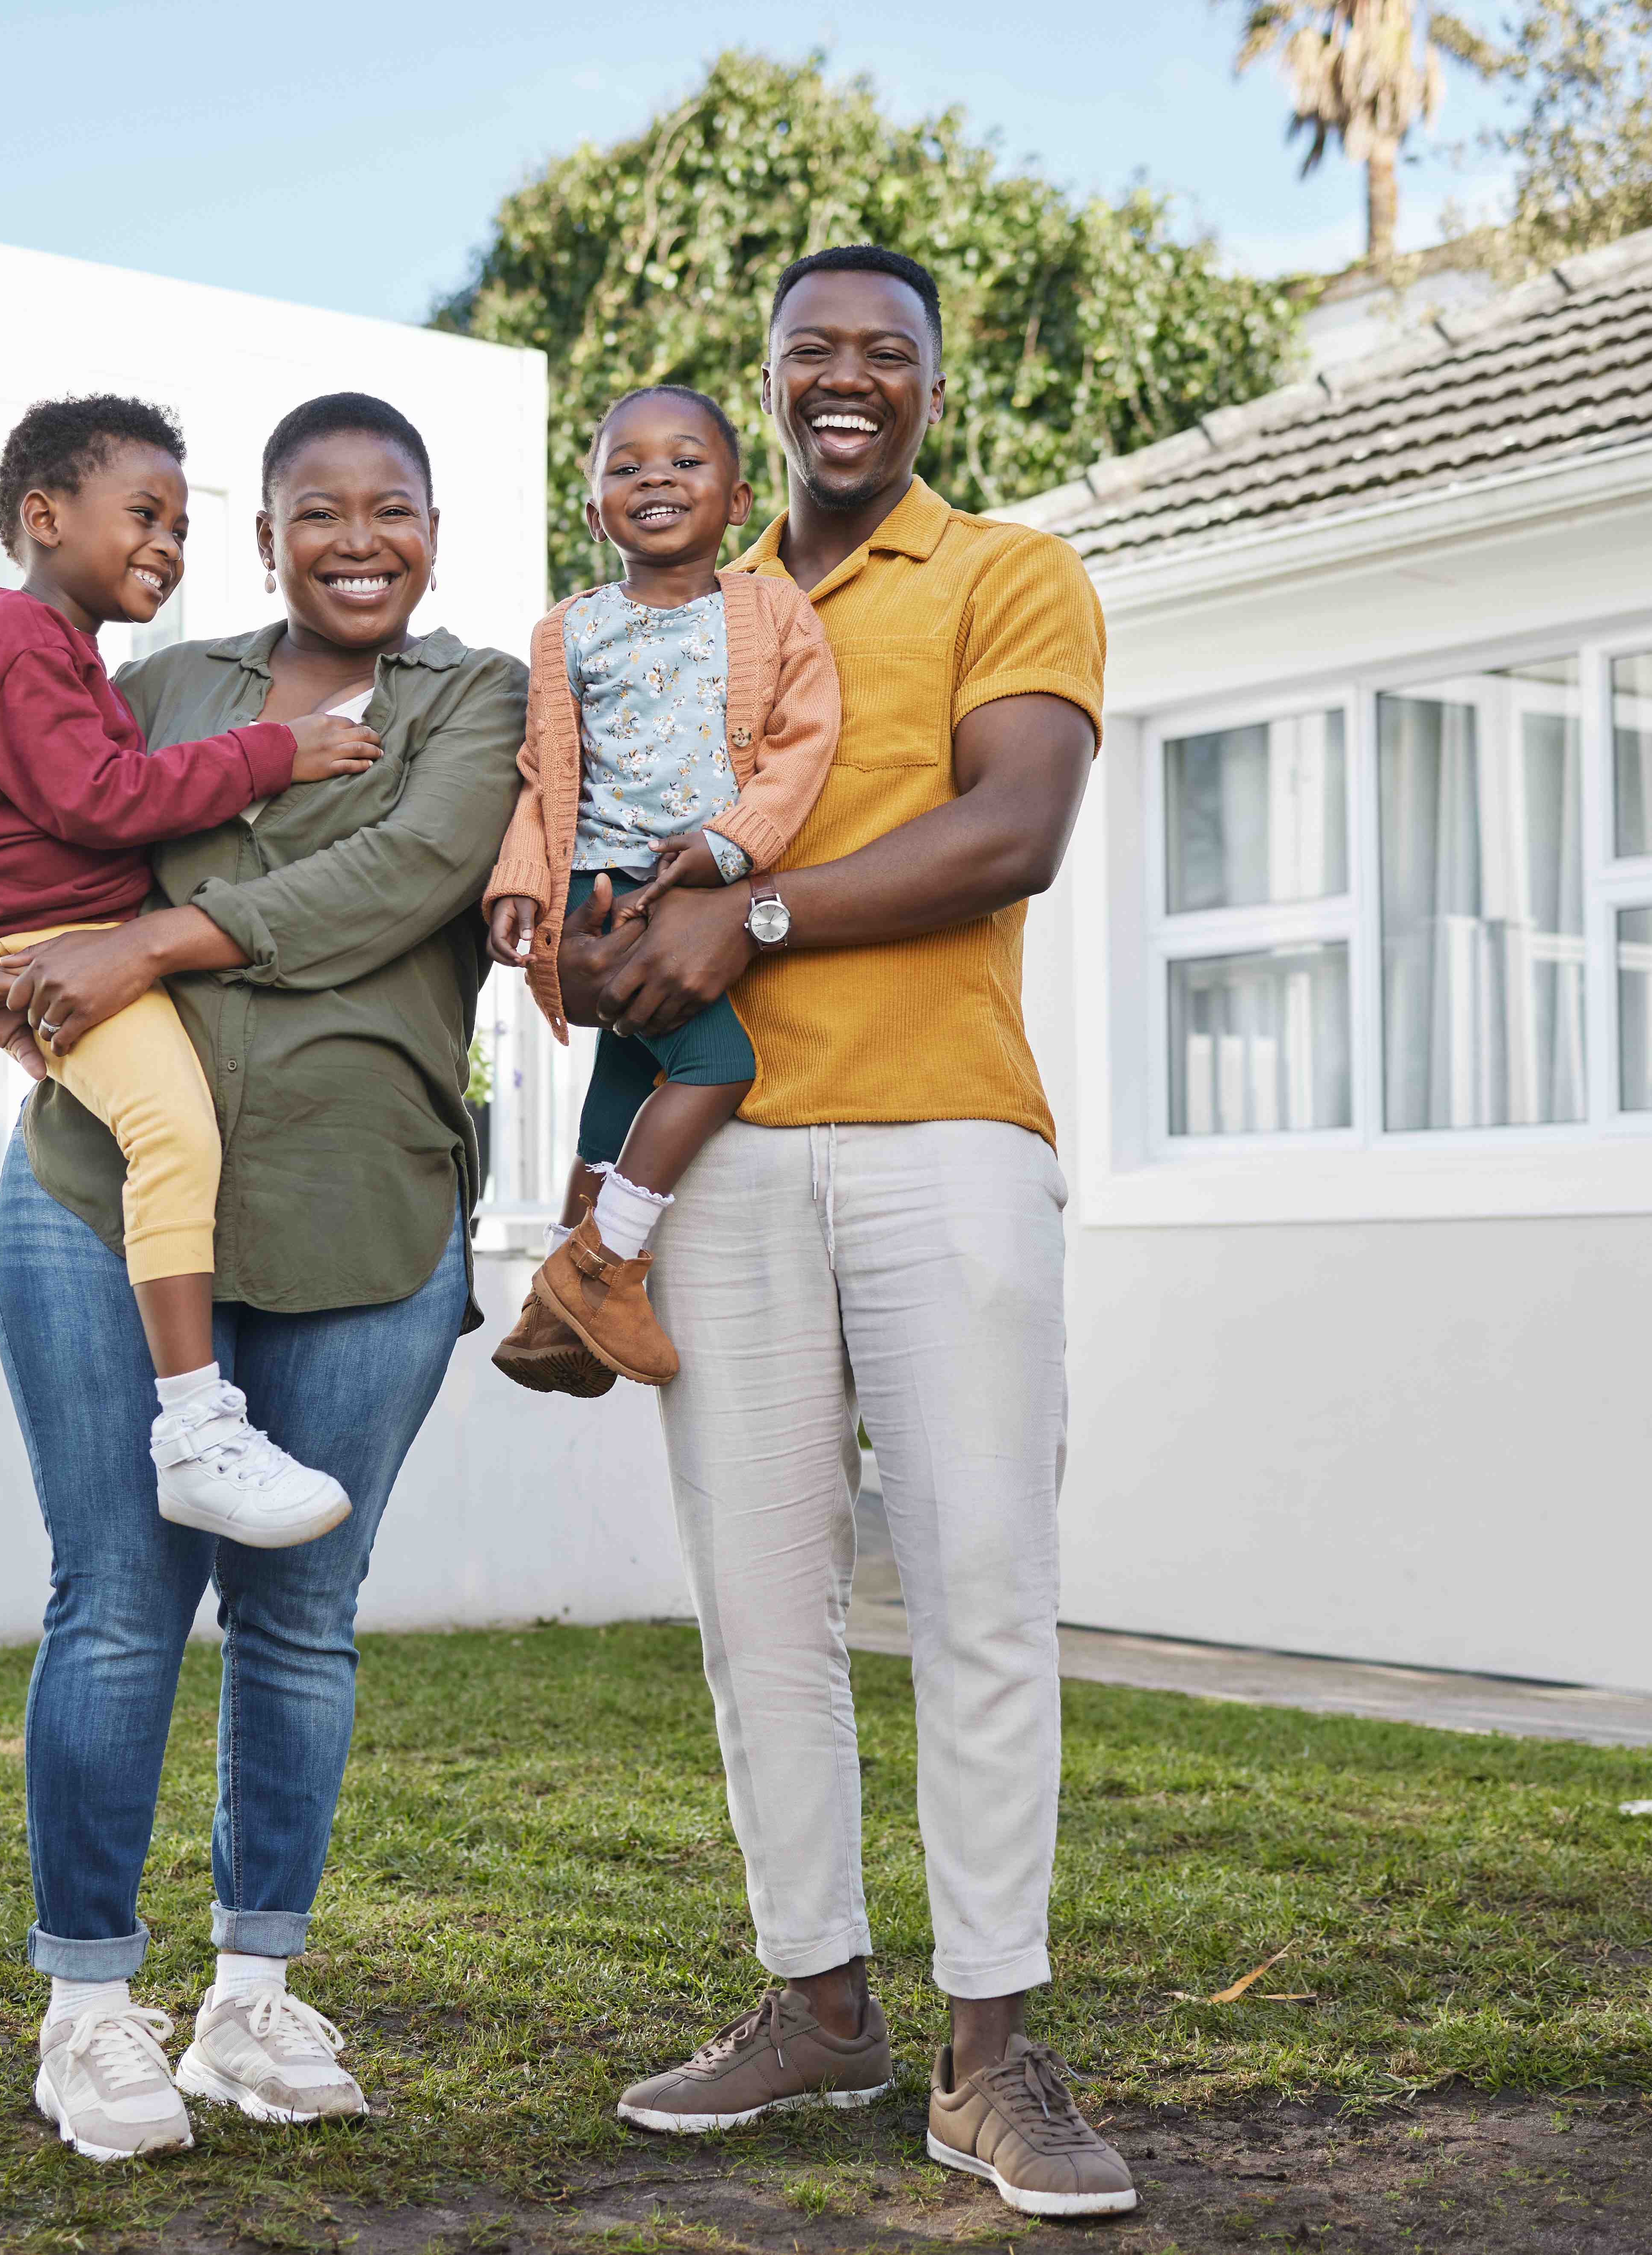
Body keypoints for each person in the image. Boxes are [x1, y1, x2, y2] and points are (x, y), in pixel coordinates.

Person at [570, 248, 1139, 2219]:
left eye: (878, 355)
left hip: (941, 1139)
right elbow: (601, 847)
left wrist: (768, 914)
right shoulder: (688, 605)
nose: (840, 381)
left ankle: (991, 2059)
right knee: (756, 1604)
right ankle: (814, 1998)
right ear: (761, 378)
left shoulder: (1004, 573)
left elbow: (1015, 829)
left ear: (925, 385)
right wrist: (584, 937)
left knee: (976, 1581)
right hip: (709, 1153)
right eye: (804, 350)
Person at [0, 393, 524, 2164]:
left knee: (300, 1621)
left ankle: (252, 2000)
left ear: (432, 529)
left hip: (361, 1214)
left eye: (392, 506)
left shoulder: (472, 702)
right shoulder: (163, 684)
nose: (357, 536)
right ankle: (91, 2016)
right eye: (313, 508)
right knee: (113, 1607)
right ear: (262, 537)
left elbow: (401, 878)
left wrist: (155, 941)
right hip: (104, 1200)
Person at [0, 395, 386, 1550]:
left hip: (36, 940)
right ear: (44, 514)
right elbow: (101, 800)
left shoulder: (53, 653)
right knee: (175, 1133)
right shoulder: (18, 637)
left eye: (179, 526)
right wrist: (281, 751)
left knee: (175, 1124)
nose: (166, 547)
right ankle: (196, 1428)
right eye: (142, 516)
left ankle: (198, 1419)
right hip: (52, 942)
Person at [478, 383, 837, 1393]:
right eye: (625, 467)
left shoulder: (773, 611)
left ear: (736, 500)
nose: (655, 479)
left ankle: (563, 1278)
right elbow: (544, 776)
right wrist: (518, 879)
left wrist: (731, 849)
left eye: (685, 462)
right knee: (717, 1065)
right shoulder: (568, 632)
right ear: (594, 513)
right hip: (600, 887)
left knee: (630, 1078)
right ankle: (601, 1268)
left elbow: (802, 747)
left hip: (697, 878)